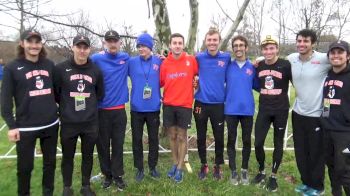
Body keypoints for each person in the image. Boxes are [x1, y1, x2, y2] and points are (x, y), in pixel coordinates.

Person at [1, 30, 59, 196]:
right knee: (25, 167)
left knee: (50, 164)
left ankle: (48, 193)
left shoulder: (49, 65)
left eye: (37, 42)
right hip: (26, 128)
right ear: (22, 43)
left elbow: (58, 91)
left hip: (50, 124)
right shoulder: (12, 67)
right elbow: (5, 100)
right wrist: (11, 126)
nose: (34, 45)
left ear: (41, 44)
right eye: (30, 42)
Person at [54, 35, 104, 196]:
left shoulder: (95, 70)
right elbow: (56, 93)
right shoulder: (61, 69)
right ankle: (67, 187)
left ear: (89, 49)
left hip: (89, 122)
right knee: (67, 156)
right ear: (72, 47)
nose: (82, 50)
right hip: (69, 122)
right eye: (79, 47)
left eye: (85, 47)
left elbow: (100, 94)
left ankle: (85, 186)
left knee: (87, 155)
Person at [287, 29, 330, 196]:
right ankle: (306, 182)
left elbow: (341, 62)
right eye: (299, 41)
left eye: (305, 41)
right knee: (301, 151)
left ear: (313, 44)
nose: (301, 44)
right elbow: (275, 60)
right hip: (298, 113)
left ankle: (318, 187)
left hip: (317, 115)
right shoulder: (292, 59)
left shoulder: (323, 59)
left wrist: (327, 110)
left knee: (316, 153)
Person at [252, 35, 292, 192]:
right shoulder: (259, 65)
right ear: (262, 50)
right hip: (264, 109)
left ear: (277, 49)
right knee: (258, 143)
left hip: (281, 111)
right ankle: (262, 171)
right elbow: (255, 83)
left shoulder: (286, 65)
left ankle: (273, 176)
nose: (268, 51)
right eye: (265, 48)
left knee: (278, 143)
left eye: (271, 48)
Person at [90, 30, 129, 191]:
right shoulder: (96, 58)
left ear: (119, 42)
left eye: (115, 41)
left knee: (118, 145)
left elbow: (145, 59)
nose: (112, 44)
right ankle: (107, 175)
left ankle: (118, 175)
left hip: (119, 111)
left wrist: (161, 58)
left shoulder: (125, 58)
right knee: (103, 145)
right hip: (101, 110)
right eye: (109, 41)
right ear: (105, 43)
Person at [160, 33, 198, 183]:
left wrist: (197, 83)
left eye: (179, 43)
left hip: (185, 105)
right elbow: (161, 82)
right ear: (170, 45)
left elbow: (200, 74)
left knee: (182, 136)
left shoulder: (191, 60)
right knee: (172, 136)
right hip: (168, 104)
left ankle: (181, 168)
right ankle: (175, 164)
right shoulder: (164, 63)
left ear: (183, 45)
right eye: (174, 43)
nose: (177, 45)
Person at [194, 28, 230, 180]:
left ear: (219, 41)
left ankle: (217, 165)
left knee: (219, 137)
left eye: (215, 40)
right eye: (209, 40)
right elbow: (183, 62)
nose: (212, 43)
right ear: (205, 41)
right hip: (201, 103)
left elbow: (239, 65)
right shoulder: (199, 57)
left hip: (218, 105)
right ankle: (203, 164)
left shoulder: (226, 58)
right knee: (201, 136)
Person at [128, 33, 162, 182]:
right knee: (137, 139)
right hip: (136, 108)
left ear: (150, 47)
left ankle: (153, 167)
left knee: (154, 139)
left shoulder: (159, 61)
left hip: (153, 108)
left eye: (144, 46)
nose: (141, 48)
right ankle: (140, 168)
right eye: (139, 46)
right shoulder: (131, 62)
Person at [225, 35, 259, 185]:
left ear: (246, 48)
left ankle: (244, 169)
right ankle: (233, 171)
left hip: (247, 110)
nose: (238, 48)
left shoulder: (253, 67)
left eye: (241, 45)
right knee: (231, 140)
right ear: (233, 49)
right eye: (235, 46)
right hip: (230, 110)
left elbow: (260, 86)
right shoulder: (228, 66)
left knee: (246, 141)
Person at [321, 41, 350, 196]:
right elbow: (327, 100)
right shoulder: (329, 75)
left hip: (345, 133)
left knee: (344, 171)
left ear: (348, 56)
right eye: (333, 52)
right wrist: (325, 119)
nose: (336, 55)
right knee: (331, 167)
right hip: (328, 130)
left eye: (340, 52)